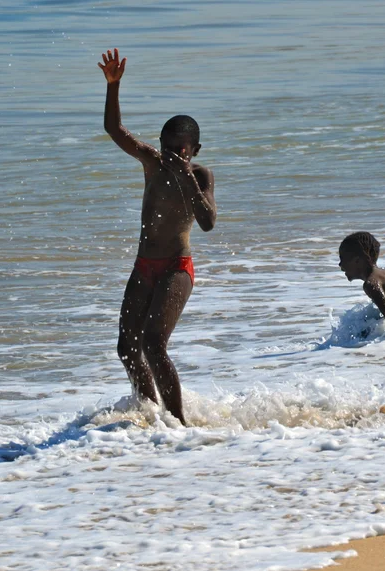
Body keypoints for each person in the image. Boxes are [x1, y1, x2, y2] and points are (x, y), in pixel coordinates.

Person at [98, 48, 216, 425]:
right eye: (166, 148)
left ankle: (179, 424)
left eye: (179, 151)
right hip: (144, 265)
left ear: (194, 150)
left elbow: (209, 221)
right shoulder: (151, 162)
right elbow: (114, 131)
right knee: (127, 348)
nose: (171, 156)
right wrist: (113, 86)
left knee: (153, 343)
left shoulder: (200, 176)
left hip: (177, 268)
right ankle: (152, 414)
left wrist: (187, 180)